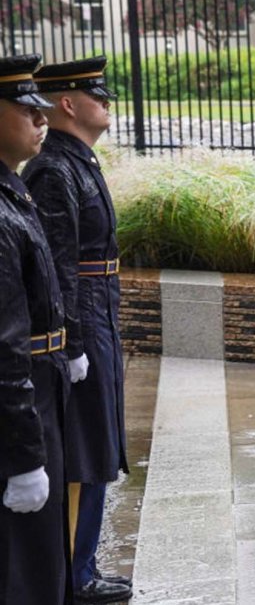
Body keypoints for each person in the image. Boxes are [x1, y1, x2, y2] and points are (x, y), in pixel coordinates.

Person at [21, 56, 132, 602]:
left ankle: (82, 563)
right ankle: (74, 572)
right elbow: (58, 264)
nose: (106, 103)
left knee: (99, 442)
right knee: (82, 446)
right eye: (98, 95)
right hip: (83, 314)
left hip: (99, 309)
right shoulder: (52, 168)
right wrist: (73, 341)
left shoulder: (77, 160)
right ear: (68, 102)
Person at [0, 53, 72, 604]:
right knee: (24, 566)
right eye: (26, 111)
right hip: (21, 402)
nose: (41, 120)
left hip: (40, 389)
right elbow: (4, 347)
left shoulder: (14, 191)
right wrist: (25, 456)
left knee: (44, 555)